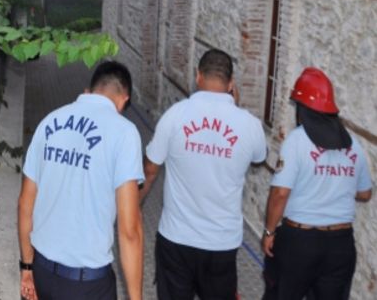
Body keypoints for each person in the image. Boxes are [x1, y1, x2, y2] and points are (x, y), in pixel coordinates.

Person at [140, 49, 266, 299]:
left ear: (198, 76)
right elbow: (258, 158)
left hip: (176, 240)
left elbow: (150, 170)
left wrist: (132, 206)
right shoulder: (250, 125)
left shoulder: (175, 116)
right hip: (221, 245)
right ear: (231, 84)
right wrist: (236, 109)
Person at [18, 61, 144, 300]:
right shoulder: (125, 133)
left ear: (89, 90)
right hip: (88, 285)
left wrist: (27, 268)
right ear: (124, 99)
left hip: (43, 273)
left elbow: (25, 203)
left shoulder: (49, 122)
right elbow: (130, 230)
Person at [261, 67, 372, 299]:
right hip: (341, 245)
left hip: (300, 242)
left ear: (302, 109)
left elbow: (280, 194)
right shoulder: (353, 145)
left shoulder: (297, 140)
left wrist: (269, 231)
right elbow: (365, 193)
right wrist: (336, 184)